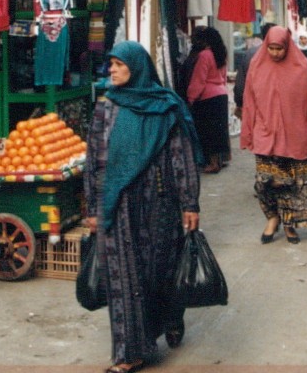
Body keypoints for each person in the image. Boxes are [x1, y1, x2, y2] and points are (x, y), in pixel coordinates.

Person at [83, 41, 202, 373]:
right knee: (122, 277)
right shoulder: (106, 108)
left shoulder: (165, 107)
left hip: (158, 202)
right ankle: (129, 352)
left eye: (119, 64)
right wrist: (92, 207)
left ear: (136, 67)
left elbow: (180, 157)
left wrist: (189, 202)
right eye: (111, 64)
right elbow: (93, 160)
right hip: (116, 204)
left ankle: (170, 318)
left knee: (159, 271)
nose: (112, 70)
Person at [241, 26, 307, 245]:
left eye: (279, 48)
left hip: (295, 135)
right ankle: (272, 218)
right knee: (265, 182)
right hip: (266, 134)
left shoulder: (301, 66)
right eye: (271, 48)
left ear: (287, 46)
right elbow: (249, 102)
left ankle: (289, 225)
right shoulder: (257, 65)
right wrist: (247, 132)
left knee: (294, 184)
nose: (275, 53)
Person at [181, 26, 230, 174]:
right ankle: (221, 160)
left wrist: (191, 98)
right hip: (222, 94)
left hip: (208, 97)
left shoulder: (204, 55)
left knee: (208, 131)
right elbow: (224, 76)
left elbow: (199, 80)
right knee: (220, 130)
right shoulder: (220, 54)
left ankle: (213, 164)